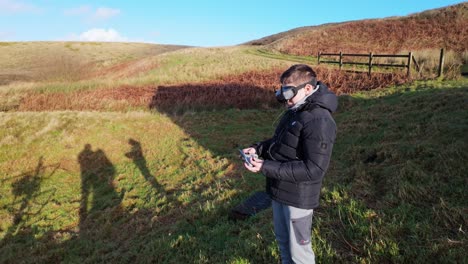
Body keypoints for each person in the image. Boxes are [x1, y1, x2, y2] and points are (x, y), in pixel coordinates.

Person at [242, 64, 337, 264]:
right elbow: (282, 142)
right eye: (283, 92)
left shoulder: (319, 120)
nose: (285, 100)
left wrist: (264, 167)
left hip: (298, 199)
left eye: (289, 93)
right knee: (284, 244)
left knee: (299, 255)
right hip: (279, 191)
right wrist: (257, 149)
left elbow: (314, 169)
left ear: (308, 89)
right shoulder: (295, 110)